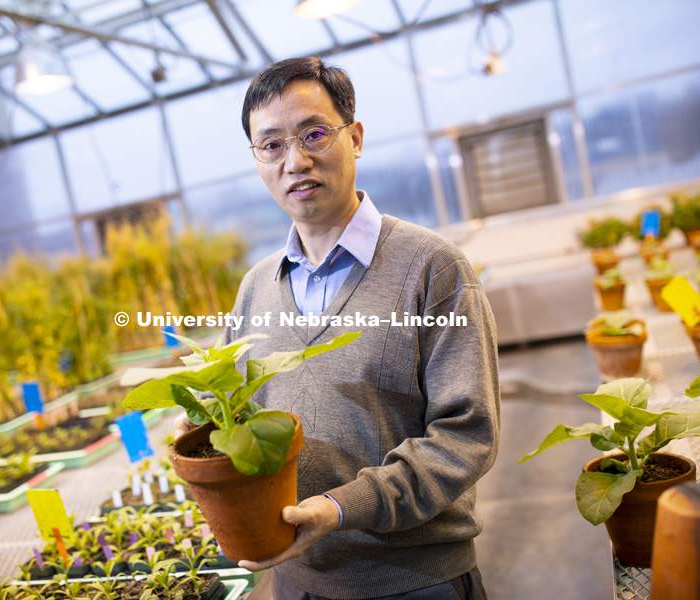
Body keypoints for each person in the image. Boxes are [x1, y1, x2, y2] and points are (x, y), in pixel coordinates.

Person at [175, 56, 500, 600]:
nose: (295, 161)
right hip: (295, 580)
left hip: (415, 581)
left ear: (355, 138)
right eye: (272, 145)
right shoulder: (256, 287)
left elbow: (466, 436)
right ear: (257, 158)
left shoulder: (431, 268)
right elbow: (232, 416)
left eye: (314, 134)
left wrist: (342, 507)